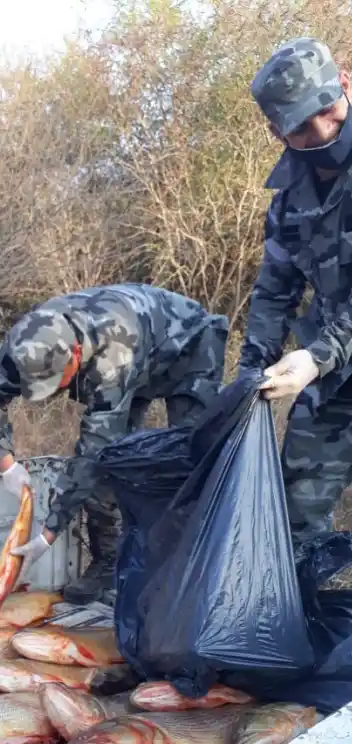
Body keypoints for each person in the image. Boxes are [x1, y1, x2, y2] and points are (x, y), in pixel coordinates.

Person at [0, 283, 228, 606]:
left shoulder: (112, 356)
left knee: (187, 462)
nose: (49, 393)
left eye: (55, 382)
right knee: (113, 463)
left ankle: (186, 578)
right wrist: (6, 462)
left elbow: (93, 453)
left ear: (76, 355)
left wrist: (47, 533)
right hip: (139, 357)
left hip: (188, 349)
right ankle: (107, 562)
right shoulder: (28, 343)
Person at [241, 37, 352, 542]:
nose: (324, 131)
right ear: (276, 132)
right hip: (332, 379)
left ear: (345, 83)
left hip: (326, 357)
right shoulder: (289, 201)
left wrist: (316, 355)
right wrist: (248, 378)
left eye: (327, 110)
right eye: (302, 128)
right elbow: (274, 291)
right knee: (296, 518)